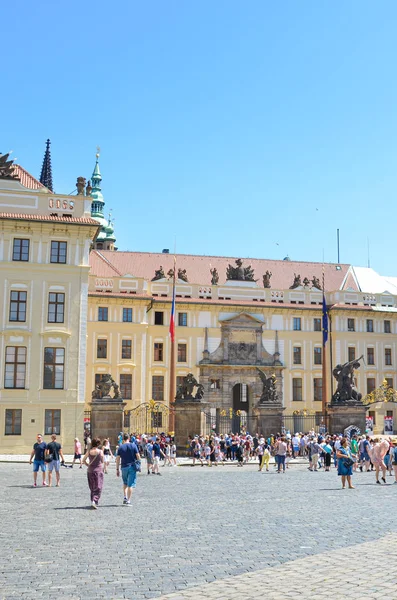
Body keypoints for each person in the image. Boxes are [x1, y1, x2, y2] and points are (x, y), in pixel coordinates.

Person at [115, 433, 141, 505]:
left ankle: (125, 497)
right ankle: (128, 500)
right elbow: (138, 456)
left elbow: (117, 459)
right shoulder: (133, 445)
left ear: (123, 439)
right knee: (130, 484)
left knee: (125, 483)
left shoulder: (120, 447)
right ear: (129, 438)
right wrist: (139, 464)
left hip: (124, 467)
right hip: (132, 466)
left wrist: (117, 469)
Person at [82, 437, 104, 509]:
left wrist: (88, 465)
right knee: (98, 486)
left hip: (90, 471)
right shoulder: (100, 451)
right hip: (98, 471)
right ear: (98, 444)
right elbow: (102, 460)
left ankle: (93, 501)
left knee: (92, 487)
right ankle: (95, 500)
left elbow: (83, 460)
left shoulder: (89, 451)